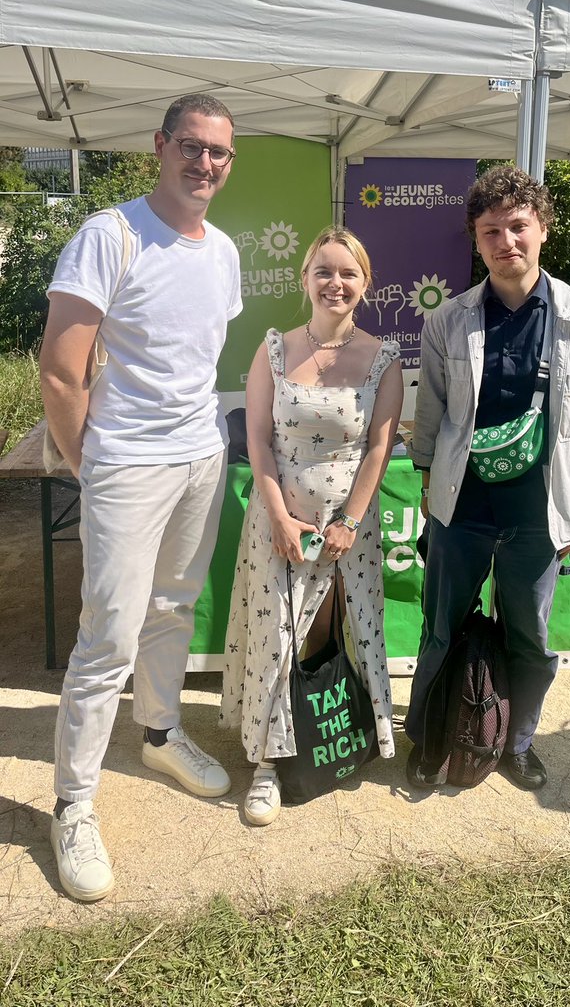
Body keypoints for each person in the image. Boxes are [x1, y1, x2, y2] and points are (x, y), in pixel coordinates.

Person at [40, 93, 241, 901]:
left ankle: (158, 732)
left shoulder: (222, 250)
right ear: (160, 147)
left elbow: (192, 365)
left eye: (218, 153)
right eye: (191, 147)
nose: (204, 164)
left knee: (173, 607)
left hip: (201, 457)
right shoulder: (109, 235)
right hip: (126, 465)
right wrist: (94, 463)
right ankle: (72, 803)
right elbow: (60, 369)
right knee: (106, 636)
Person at [406, 165, 570, 791]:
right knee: (441, 627)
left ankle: (518, 742)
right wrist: (427, 480)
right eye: (491, 230)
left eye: (518, 227)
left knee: (530, 635)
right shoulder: (448, 319)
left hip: (541, 509)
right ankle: (430, 738)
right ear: (476, 241)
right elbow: (433, 413)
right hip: (462, 505)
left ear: (543, 230)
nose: (507, 242)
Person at [220, 227, 403, 826]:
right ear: (305, 280)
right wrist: (278, 517)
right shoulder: (272, 349)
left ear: (365, 283)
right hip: (277, 522)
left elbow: (379, 447)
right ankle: (269, 765)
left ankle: (349, 734)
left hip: (350, 527)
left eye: (348, 273)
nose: (336, 283)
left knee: (336, 634)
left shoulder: (383, 359)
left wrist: (349, 520)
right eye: (324, 271)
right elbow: (257, 442)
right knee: (279, 638)